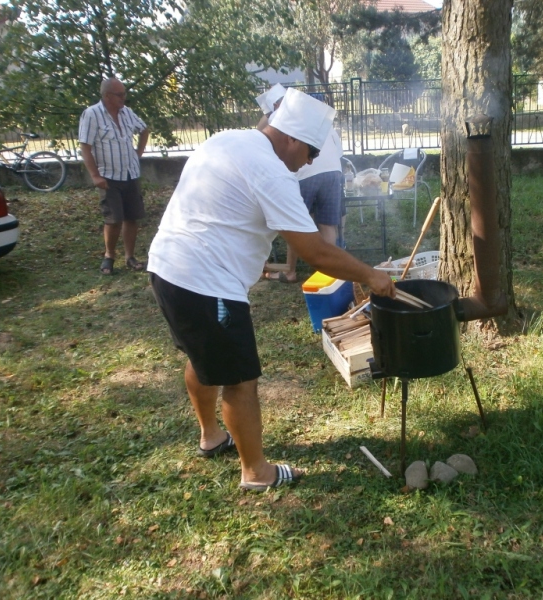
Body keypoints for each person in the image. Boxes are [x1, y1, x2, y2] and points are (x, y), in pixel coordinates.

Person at [146, 88, 395, 491]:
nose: (310, 162)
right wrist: (371, 276)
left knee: (202, 355)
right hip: (208, 285)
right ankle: (256, 472)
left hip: (167, 268)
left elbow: (221, 207)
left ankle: (211, 436)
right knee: (239, 379)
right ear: (293, 139)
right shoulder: (273, 172)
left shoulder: (226, 139)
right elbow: (316, 251)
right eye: (312, 152)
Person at [79, 77, 150, 275]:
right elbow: (85, 146)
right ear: (107, 96)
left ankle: (130, 256)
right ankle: (109, 256)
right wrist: (95, 175)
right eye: (120, 94)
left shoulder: (127, 113)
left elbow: (144, 130)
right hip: (109, 176)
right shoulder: (92, 114)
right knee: (113, 219)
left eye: (124, 93)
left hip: (131, 173)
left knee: (132, 217)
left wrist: (138, 154)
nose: (124, 98)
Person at [266, 113, 345, 284]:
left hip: (305, 175)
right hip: (333, 171)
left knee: (295, 224)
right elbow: (339, 152)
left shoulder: (287, 120)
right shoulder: (324, 122)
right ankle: (328, 276)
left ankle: (290, 272)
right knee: (327, 225)